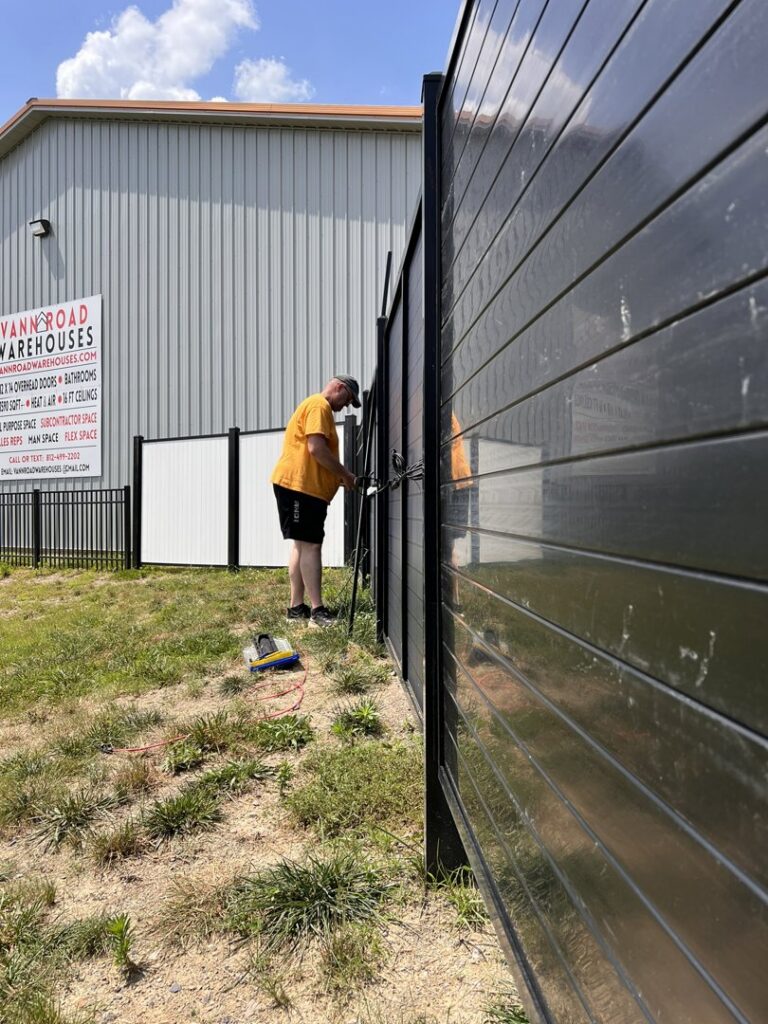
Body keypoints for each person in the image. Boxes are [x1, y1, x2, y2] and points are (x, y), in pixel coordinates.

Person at [271, 375, 361, 626]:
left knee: (301, 546)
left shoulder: (318, 407)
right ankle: (317, 612)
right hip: (301, 488)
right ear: (339, 387)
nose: (345, 406)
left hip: (302, 487)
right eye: (347, 400)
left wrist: (336, 479)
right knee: (311, 546)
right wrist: (345, 474)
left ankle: (296, 608)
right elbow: (316, 449)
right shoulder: (319, 405)